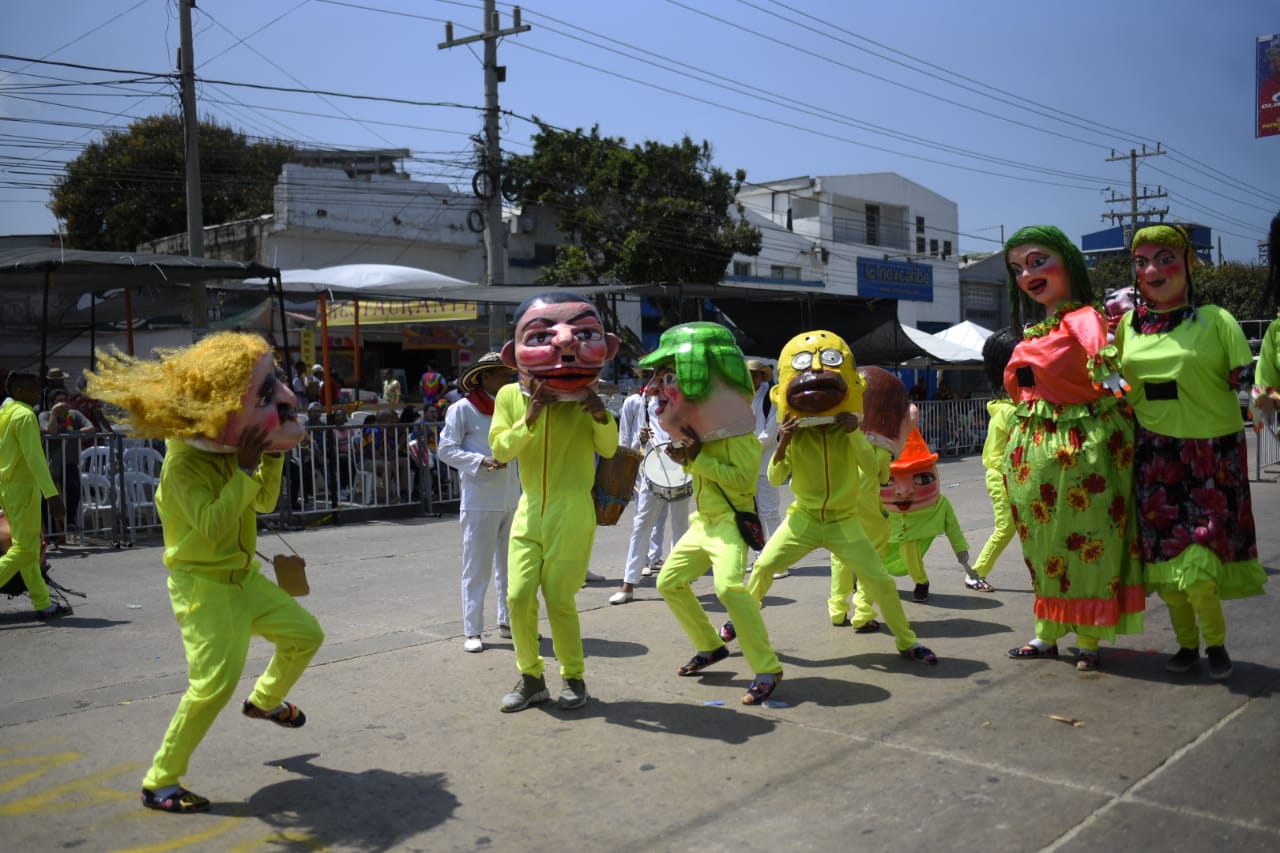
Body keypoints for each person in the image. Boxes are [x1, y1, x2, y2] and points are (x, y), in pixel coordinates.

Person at [86, 332, 324, 814]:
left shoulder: (231, 456)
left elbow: (261, 501)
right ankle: (160, 781)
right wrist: (246, 466)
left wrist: (269, 461)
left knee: (305, 635)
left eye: (275, 383)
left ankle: (265, 700)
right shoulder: (183, 468)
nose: (284, 397)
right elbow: (215, 527)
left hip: (243, 580)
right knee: (213, 685)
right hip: (205, 588)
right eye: (264, 393)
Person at [732, 330, 938, 666]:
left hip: (844, 520)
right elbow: (774, 477)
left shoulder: (849, 435)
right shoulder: (798, 437)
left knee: (880, 581)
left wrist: (854, 432)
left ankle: (907, 641)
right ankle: (738, 621)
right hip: (804, 520)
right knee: (764, 567)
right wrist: (783, 442)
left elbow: (872, 468)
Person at [1116, 224, 1267, 680]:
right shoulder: (1125, 326)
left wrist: (1260, 395)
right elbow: (1115, 384)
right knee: (1166, 571)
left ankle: (1216, 645)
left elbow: (1247, 384)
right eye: (1142, 262)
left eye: (1164, 258)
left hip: (1208, 456)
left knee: (1199, 568)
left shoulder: (1217, 321)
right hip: (1153, 456)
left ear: (1188, 264)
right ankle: (1186, 645)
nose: (1152, 270)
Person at [1002, 225, 1143, 672]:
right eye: (1018, 267)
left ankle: (1088, 639)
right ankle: (1047, 633)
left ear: (1067, 260)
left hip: (1082, 450)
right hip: (1036, 452)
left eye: (1037, 260)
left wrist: (1109, 375)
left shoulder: (1082, 317)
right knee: (1044, 545)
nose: (1027, 274)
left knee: (1087, 543)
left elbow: (1101, 359)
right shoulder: (1037, 328)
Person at [489, 292, 620, 713]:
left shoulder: (589, 399)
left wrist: (598, 411)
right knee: (518, 597)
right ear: (514, 354)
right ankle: (531, 678)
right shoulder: (511, 397)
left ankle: (574, 677)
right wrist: (532, 415)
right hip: (530, 509)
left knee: (559, 597)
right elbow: (502, 449)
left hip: (573, 509)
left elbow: (610, 447)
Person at [642, 322, 785, 705]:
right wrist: (687, 458)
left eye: (669, 377)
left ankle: (767, 667)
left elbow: (740, 481)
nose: (655, 389)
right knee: (668, 582)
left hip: (728, 524)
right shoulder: (703, 433)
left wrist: (696, 459)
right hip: (701, 522)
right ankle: (710, 646)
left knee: (729, 589)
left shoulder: (739, 434)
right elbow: (699, 466)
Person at [437, 352, 520, 652]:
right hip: (480, 498)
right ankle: (473, 630)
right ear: (484, 377)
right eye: (501, 373)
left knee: (512, 567)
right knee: (477, 568)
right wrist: (479, 460)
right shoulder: (464, 409)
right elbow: (445, 450)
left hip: (513, 496)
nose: (508, 377)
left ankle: (509, 622)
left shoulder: (513, 407)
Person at [610, 366, 690, 605]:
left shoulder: (685, 398)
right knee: (641, 525)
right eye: (649, 374)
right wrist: (641, 438)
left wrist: (683, 445)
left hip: (681, 468)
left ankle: (678, 582)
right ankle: (628, 585)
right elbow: (629, 445)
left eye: (661, 373)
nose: (653, 378)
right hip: (651, 469)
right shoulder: (642, 400)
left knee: (680, 527)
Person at [0, 372, 70, 620]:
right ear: (18, 390)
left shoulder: (5, 414)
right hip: (24, 491)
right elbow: (35, 459)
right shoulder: (24, 415)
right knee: (23, 549)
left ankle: (42, 603)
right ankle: (42, 603)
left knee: (29, 549)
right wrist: (52, 496)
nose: (37, 392)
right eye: (32, 389)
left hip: (8, 489)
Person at [880, 428, 970, 603]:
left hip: (914, 532)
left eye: (922, 479)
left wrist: (960, 549)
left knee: (910, 553)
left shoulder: (939, 505)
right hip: (884, 532)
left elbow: (952, 525)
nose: (903, 491)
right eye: (888, 481)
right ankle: (863, 579)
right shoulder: (873, 499)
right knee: (872, 554)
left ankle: (921, 582)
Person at [965, 327, 1021, 592]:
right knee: (1006, 527)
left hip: (1014, 476)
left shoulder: (1012, 408)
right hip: (1001, 476)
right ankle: (975, 573)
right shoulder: (1008, 413)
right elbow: (1000, 455)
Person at [745, 358, 786, 579]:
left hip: (764, 463)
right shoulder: (741, 397)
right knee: (754, 513)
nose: (751, 379)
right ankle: (761, 556)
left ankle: (779, 561)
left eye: (755, 375)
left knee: (770, 511)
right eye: (748, 375)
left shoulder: (772, 398)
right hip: (746, 464)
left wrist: (744, 448)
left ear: (762, 376)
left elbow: (770, 434)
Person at [38, 388, 95, 542]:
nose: (63, 404)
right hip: (50, 465)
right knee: (45, 497)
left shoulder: (74, 415)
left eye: (65, 400)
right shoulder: (44, 415)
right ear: (51, 404)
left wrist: (73, 432)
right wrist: (55, 414)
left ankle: (70, 521)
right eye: (59, 401)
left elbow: (90, 428)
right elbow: (49, 430)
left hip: (68, 463)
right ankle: (50, 533)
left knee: (74, 485)